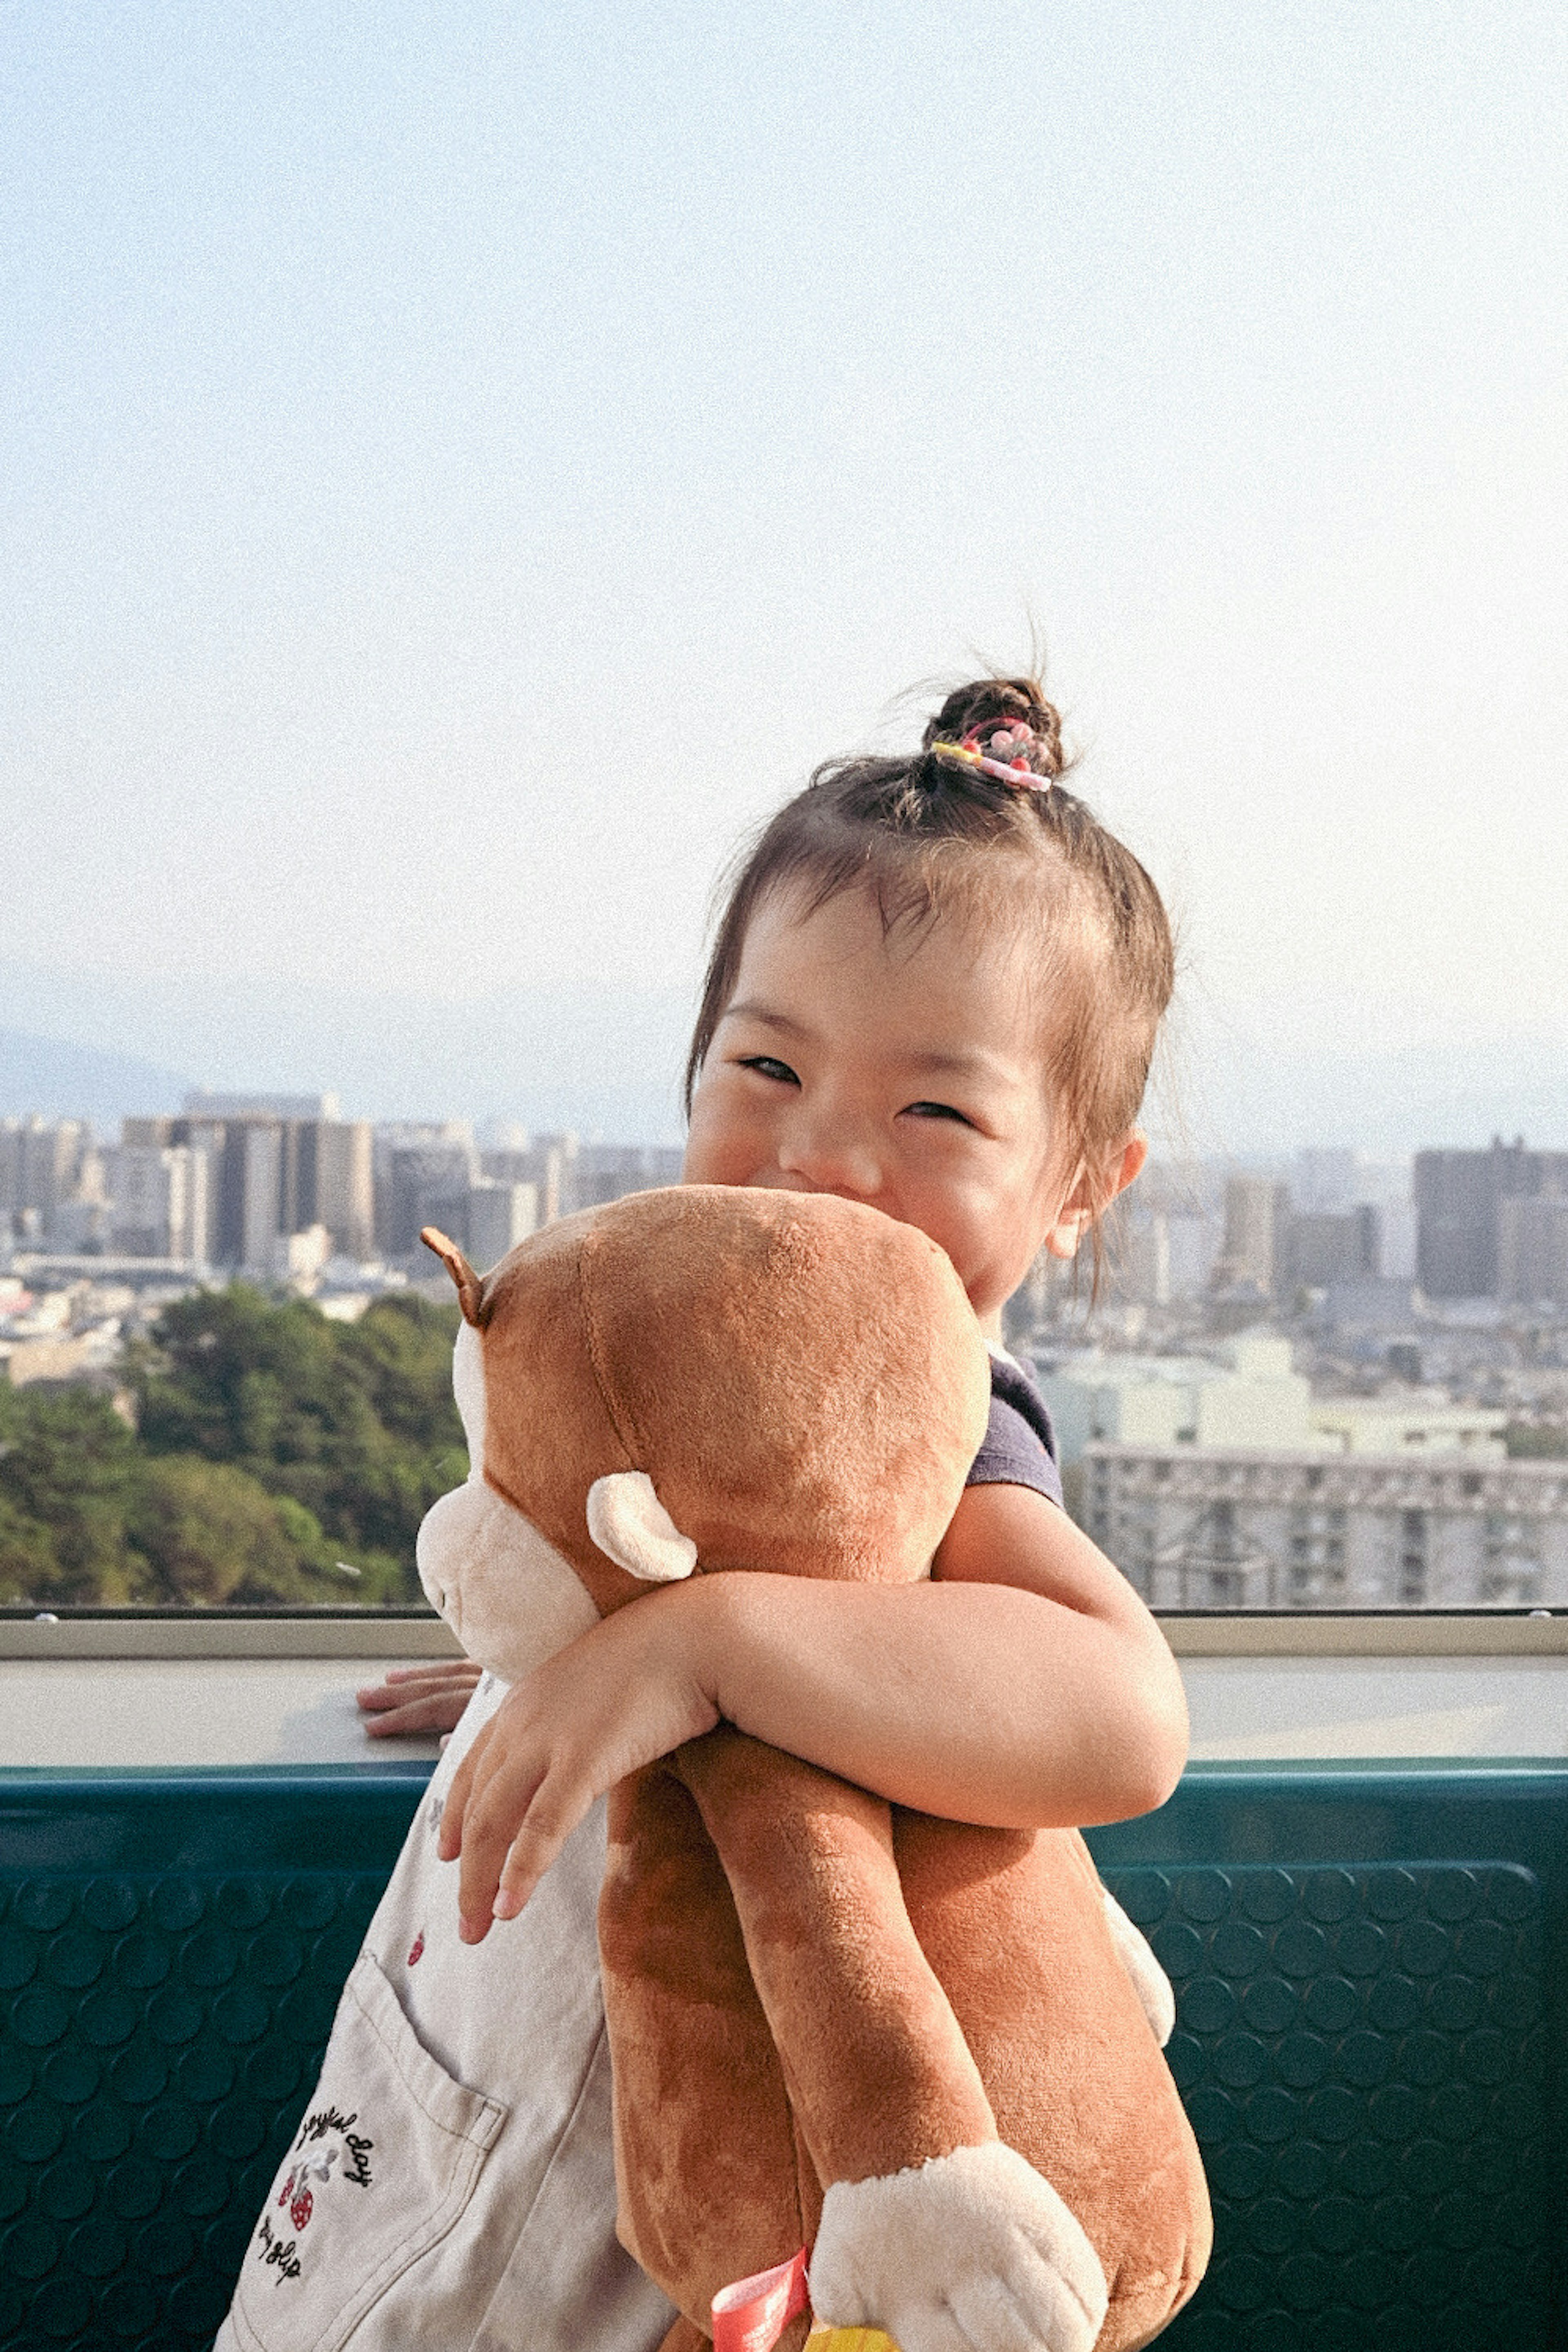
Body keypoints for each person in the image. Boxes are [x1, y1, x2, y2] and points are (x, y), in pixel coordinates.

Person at [225, 671, 1187, 2352]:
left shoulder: (931, 1424)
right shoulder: (704, 1355)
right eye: (765, 1063)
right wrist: (583, 1659)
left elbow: (1120, 1716)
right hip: (455, 2158)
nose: (821, 1155)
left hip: (626, 2251)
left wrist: (712, 1645)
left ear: (1084, 1185)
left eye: (940, 1109)